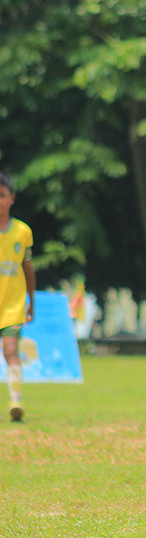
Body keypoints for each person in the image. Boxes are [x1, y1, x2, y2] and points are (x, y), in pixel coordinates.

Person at [0, 174, 34, 422]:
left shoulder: (22, 232)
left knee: (11, 349)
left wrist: (31, 298)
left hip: (12, 304)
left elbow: (28, 268)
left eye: (2, 195)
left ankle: (15, 402)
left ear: (12, 198)